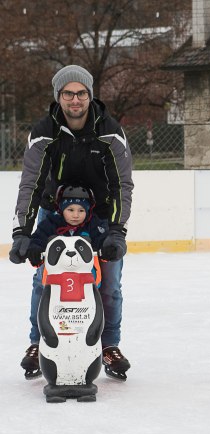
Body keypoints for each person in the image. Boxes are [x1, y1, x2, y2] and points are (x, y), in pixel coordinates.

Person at [9, 65, 134, 381]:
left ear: (90, 95)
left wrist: (117, 230)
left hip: (101, 217)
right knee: (44, 281)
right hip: (54, 215)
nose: (75, 100)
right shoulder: (43, 132)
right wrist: (22, 232)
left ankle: (108, 346)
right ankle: (38, 343)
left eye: (81, 93)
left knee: (107, 284)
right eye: (68, 93)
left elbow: (122, 184)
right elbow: (31, 183)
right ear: (59, 97)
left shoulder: (109, 132)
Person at [25, 185, 109, 268]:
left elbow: (102, 239)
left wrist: (107, 249)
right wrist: (35, 250)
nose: (76, 215)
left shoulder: (93, 225)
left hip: (87, 274)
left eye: (81, 210)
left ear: (88, 211)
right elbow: (38, 239)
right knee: (40, 278)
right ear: (61, 209)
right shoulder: (51, 224)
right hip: (56, 273)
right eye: (70, 210)